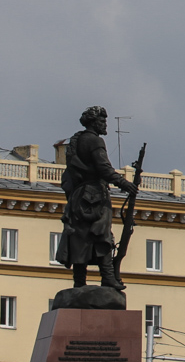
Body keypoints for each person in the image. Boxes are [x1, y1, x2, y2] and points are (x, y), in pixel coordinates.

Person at [58, 106, 138, 291]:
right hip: (95, 197)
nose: (105, 124)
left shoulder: (77, 140)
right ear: (94, 122)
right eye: (102, 121)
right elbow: (104, 169)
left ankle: (79, 282)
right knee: (101, 235)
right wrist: (125, 184)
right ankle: (108, 277)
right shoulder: (94, 141)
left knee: (80, 239)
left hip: (79, 197)